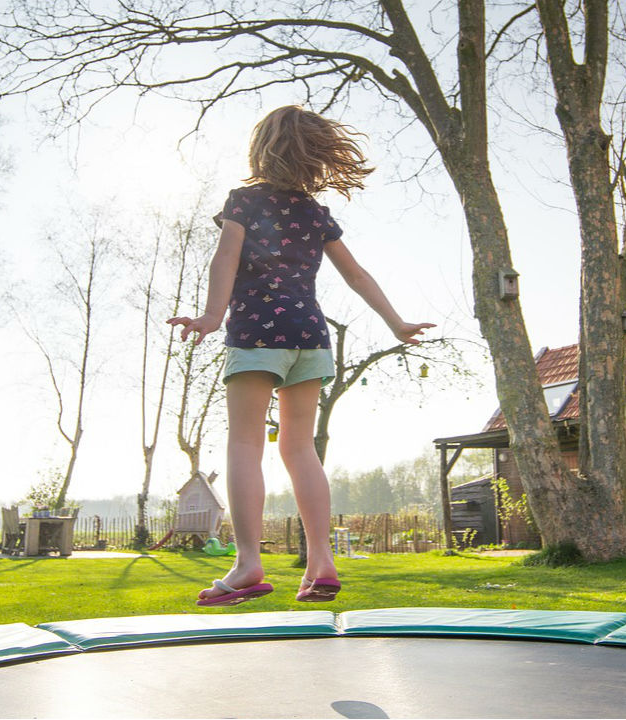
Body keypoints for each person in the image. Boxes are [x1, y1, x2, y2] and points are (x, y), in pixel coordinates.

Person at [168, 105, 434, 606]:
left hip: (257, 333)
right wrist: (395, 322)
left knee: (245, 444)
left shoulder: (243, 201)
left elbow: (225, 257)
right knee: (299, 448)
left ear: (262, 148)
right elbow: (356, 275)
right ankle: (321, 562)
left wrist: (208, 316)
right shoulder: (315, 212)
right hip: (310, 335)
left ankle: (248, 563)